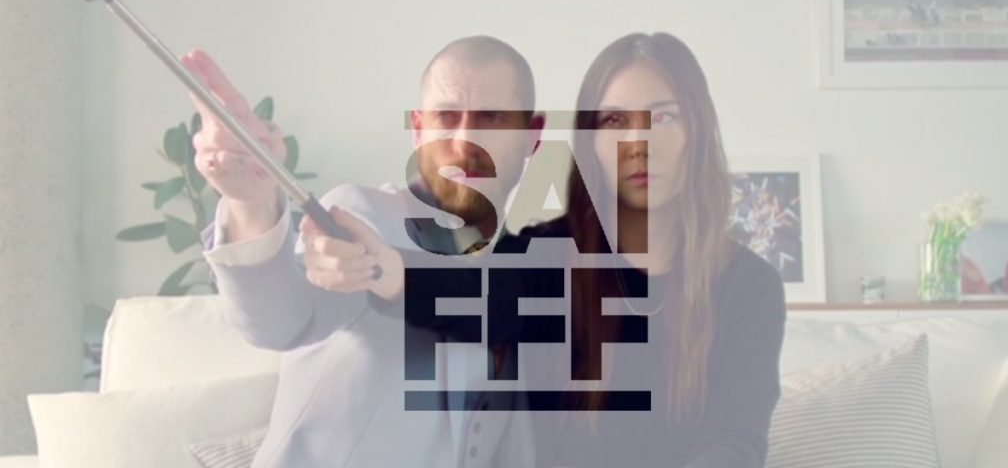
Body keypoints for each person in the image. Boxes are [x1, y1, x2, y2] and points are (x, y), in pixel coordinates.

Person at [184, 35, 543, 468]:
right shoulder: (362, 214)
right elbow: (281, 322)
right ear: (419, 130)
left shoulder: (524, 277)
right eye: (446, 116)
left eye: (493, 118)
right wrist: (250, 206)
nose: (466, 140)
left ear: (532, 136)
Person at [492, 32, 787, 467]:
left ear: (697, 133)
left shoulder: (749, 286)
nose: (639, 143)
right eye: (614, 120)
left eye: (663, 117)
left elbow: (736, 438)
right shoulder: (537, 260)